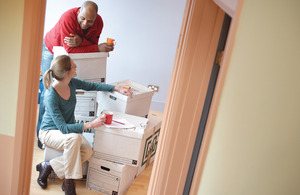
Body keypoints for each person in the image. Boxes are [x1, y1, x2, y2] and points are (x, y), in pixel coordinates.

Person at [36, 55, 132, 194]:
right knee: (74, 139)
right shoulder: (51, 96)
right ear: (67, 72)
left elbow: (92, 85)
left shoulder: (71, 83)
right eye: (74, 65)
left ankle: (49, 166)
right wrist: (90, 125)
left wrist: (116, 88)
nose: (76, 67)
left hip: (69, 133)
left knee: (87, 152)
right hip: (49, 132)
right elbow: (62, 128)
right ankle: (69, 182)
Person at [37, 1, 113, 149]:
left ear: (96, 18)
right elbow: (70, 50)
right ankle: (42, 135)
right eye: (82, 18)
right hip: (51, 48)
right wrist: (97, 47)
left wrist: (80, 41)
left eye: (90, 21)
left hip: (66, 53)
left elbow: (89, 44)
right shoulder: (68, 18)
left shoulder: (99, 23)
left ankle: (61, 131)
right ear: (78, 12)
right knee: (48, 92)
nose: (85, 23)